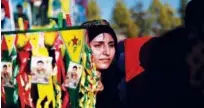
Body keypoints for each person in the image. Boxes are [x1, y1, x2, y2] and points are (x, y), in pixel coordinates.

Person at [81, 19, 123, 108]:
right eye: (98, 45)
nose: (107, 52)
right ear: (84, 48)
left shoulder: (117, 80)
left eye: (111, 45)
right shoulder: (75, 83)